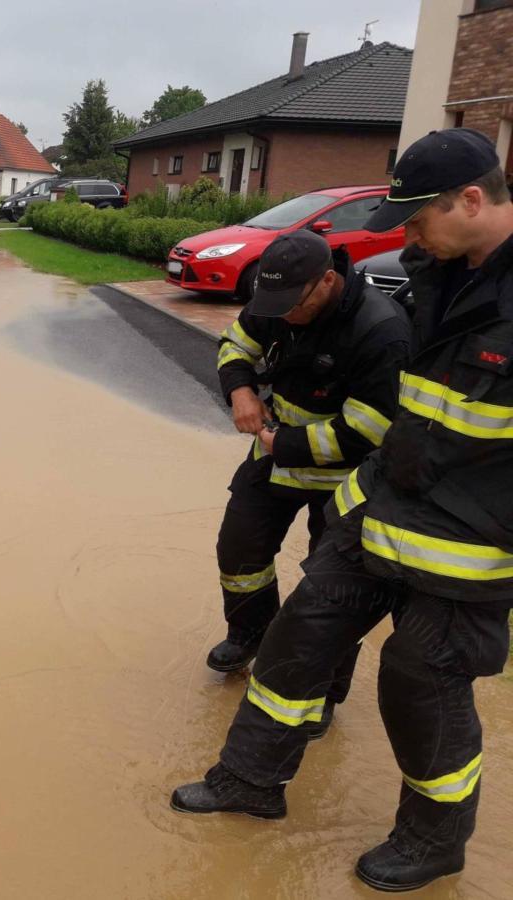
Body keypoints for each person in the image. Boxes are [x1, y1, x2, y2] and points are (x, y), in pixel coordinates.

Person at [171, 128, 513, 893]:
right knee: (297, 638)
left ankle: (434, 841)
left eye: (417, 219)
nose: (405, 236)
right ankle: (249, 781)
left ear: (471, 200)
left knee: (419, 680)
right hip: (380, 506)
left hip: (471, 543)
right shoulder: (433, 270)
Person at [209, 228, 411, 736]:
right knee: (239, 551)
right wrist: (240, 391)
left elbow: (369, 431)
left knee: (335, 593)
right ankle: (250, 635)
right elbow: (236, 342)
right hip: (273, 459)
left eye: (290, 306)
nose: (279, 316)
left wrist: (286, 446)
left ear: (326, 282)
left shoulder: (380, 331)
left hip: (346, 479)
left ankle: (323, 691)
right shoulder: (278, 300)